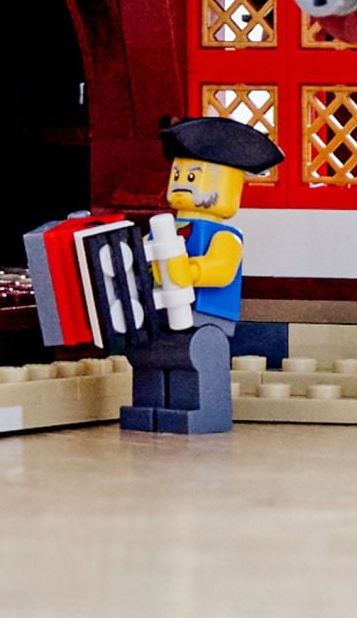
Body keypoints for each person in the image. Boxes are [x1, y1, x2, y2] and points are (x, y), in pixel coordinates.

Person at [121, 113, 286, 435]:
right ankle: (150, 409)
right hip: (159, 314)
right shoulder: (164, 228)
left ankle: (199, 411)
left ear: (226, 186)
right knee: (150, 357)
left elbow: (221, 270)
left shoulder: (224, 236)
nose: (182, 182)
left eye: (193, 177)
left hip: (206, 317)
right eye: (178, 174)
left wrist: (190, 271)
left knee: (196, 360)